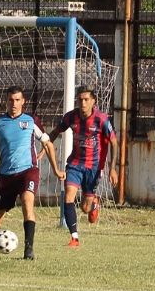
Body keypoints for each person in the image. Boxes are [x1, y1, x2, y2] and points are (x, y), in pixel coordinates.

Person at [0, 86, 64, 260]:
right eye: (11, 100)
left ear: (23, 101)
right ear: (6, 101)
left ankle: (29, 250)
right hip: (6, 176)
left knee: (27, 202)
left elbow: (47, 144)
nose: (14, 103)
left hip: (28, 171)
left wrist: (55, 169)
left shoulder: (31, 121)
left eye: (17, 100)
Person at [47, 85, 118, 246]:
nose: (83, 103)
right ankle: (74, 238)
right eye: (80, 100)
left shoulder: (102, 119)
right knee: (69, 196)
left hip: (94, 167)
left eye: (86, 99)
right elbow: (56, 132)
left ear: (94, 101)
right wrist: (45, 147)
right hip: (75, 164)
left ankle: (93, 204)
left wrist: (112, 168)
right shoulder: (70, 117)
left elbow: (114, 143)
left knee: (85, 208)